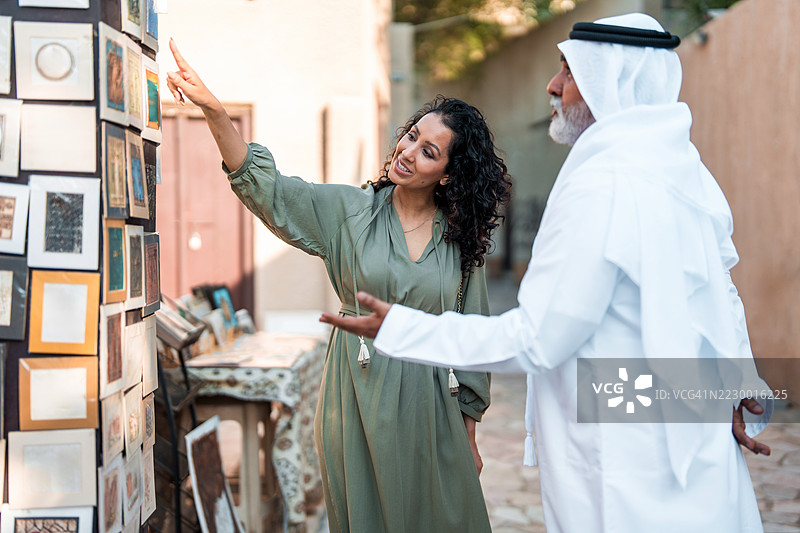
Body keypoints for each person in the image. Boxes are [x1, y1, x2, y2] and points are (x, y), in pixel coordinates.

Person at [321, 13, 774, 533]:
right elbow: (721, 288)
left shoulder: (603, 183)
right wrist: (735, 382)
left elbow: (537, 339)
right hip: (684, 431)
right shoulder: (681, 168)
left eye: (570, 71)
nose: (553, 85)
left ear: (613, 83)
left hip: (628, 464)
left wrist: (400, 327)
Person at [165, 40, 512, 532]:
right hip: (357, 393)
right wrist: (215, 112)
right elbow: (270, 190)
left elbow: (473, 334)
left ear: (449, 173)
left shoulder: (459, 238)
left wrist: (470, 432)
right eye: (411, 136)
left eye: (428, 150)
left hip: (431, 400)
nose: (408, 152)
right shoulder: (350, 213)